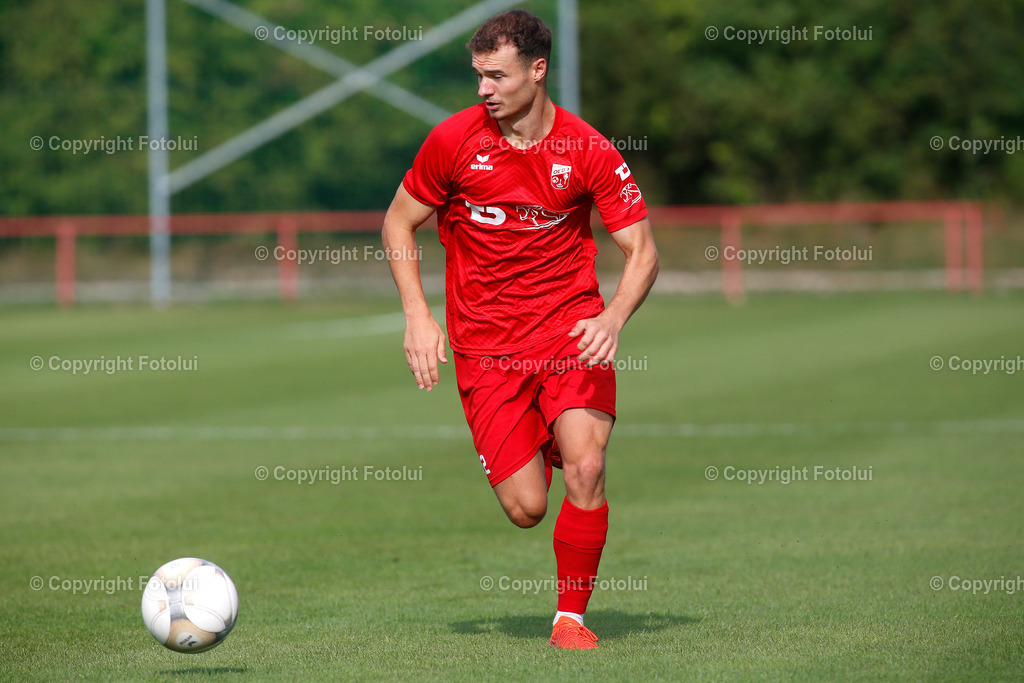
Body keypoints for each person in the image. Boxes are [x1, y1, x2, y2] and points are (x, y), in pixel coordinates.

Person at [382, 9, 658, 650]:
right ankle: (543, 437)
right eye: (478, 76)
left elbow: (641, 250)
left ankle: (570, 621)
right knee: (528, 508)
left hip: (569, 332)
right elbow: (399, 223)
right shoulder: (452, 141)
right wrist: (418, 317)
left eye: (497, 76)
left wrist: (612, 317)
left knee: (587, 469)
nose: (484, 89)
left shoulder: (587, 149)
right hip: (486, 347)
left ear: (537, 71)